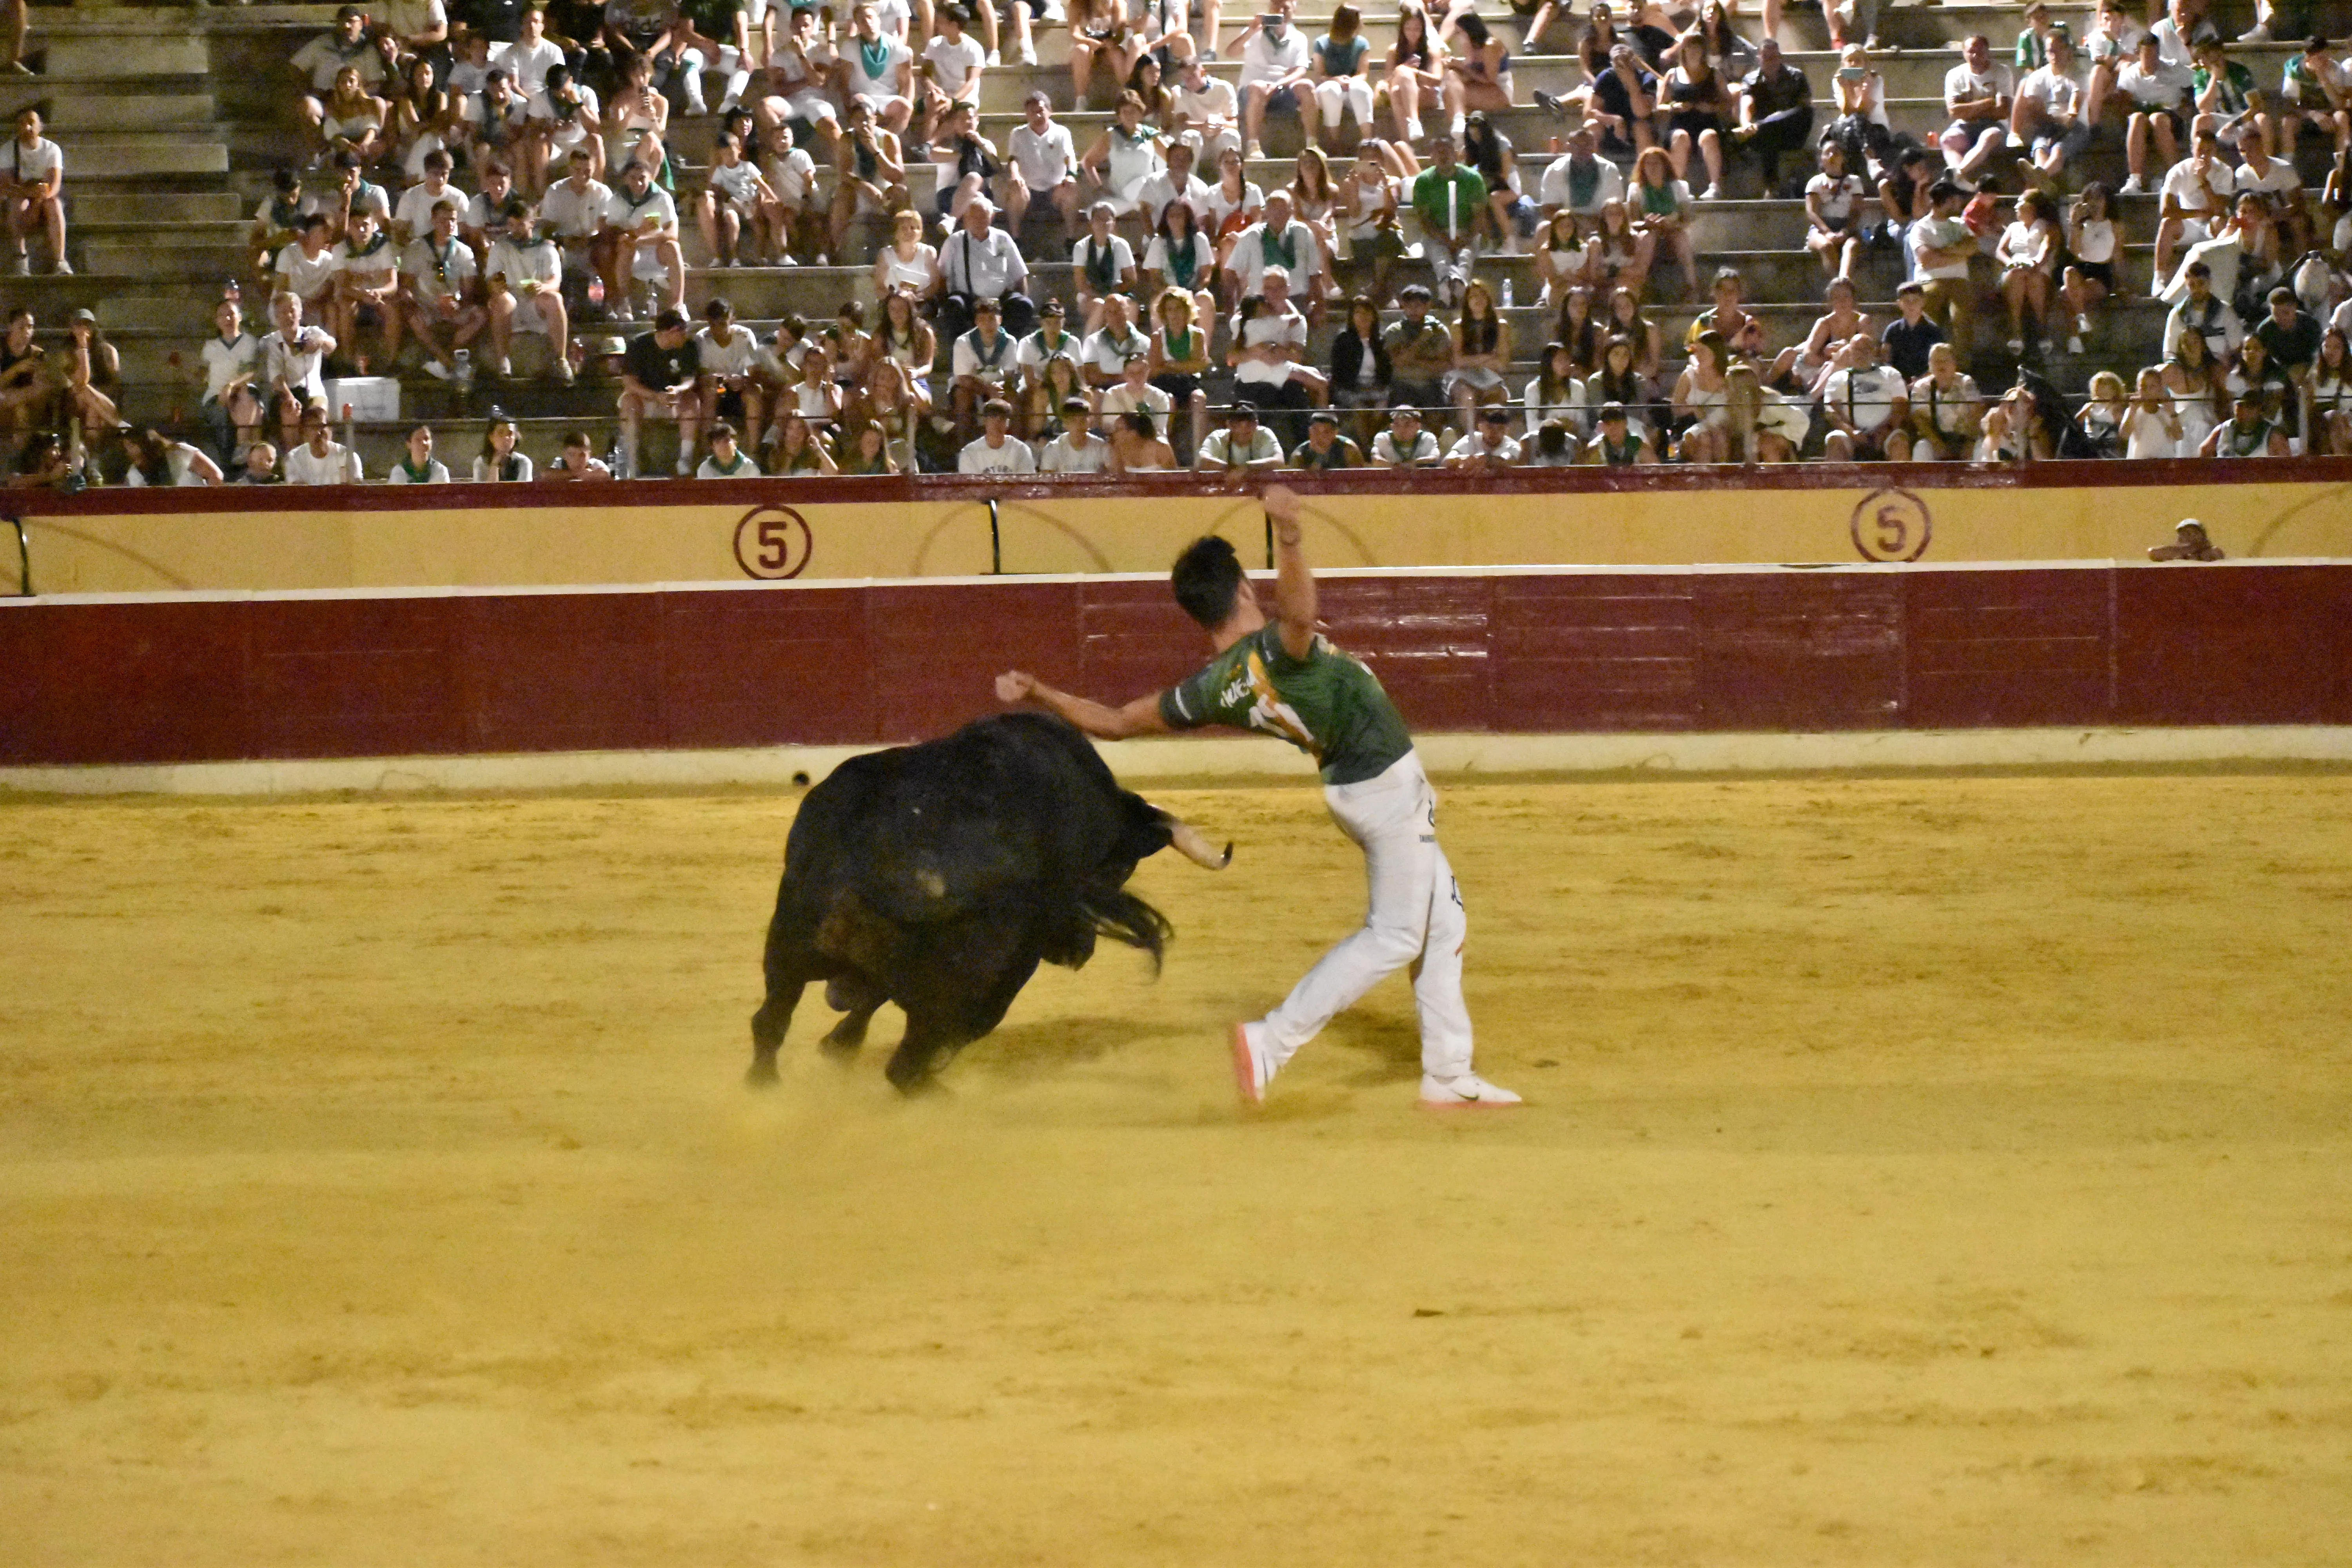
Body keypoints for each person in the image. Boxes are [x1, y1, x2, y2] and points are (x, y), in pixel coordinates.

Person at [994, 485, 1519, 1110]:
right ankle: (1271, 1042)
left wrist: (1039, 693)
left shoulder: (1211, 687)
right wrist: (1290, 534)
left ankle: (1448, 1070)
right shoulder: (1276, 648)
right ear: (1243, 589)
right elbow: (1300, 618)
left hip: (1364, 788)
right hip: (1382, 790)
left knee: (1443, 922)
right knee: (1396, 935)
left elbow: (1116, 720)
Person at [402, 198, 488, 383]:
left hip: (452, 304)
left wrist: (459, 303)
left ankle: (443, 360)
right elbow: (406, 286)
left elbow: (469, 290)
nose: (448, 225)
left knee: (480, 314)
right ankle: (447, 361)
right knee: (412, 316)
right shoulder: (417, 248)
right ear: (433, 221)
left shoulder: (463, 251)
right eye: (443, 220)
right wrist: (417, 302)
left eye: (452, 220)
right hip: (426, 304)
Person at [618, 307, 701, 476]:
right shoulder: (638, 344)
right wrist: (655, 396)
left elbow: (689, 380)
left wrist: (678, 390)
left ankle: (685, 462)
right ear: (673, 331)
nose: (686, 335)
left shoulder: (689, 347)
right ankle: (631, 463)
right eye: (683, 331)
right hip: (645, 398)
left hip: (673, 400)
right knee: (629, 403)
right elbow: (629, 383)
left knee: (692, 401)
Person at [1409, 134, 1484, 307]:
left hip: (1466, 232)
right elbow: (1424, 220)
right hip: (1436, 234)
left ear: (1456, 154)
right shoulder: (1424, 181)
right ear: (1432, 156)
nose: (1443, 156)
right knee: (1440, 256)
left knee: (1466, 255)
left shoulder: (1472, 179)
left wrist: (1465, 237)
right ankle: (1446, 282)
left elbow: (1479, 215)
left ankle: (1458, 283)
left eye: (1447, 151)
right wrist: (1443, 238)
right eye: (1438, 152)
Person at [1732, 37, 1813, 193]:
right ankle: (1772, 186)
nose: (1771, 61)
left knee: (1805, 111)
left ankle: (1761, 126)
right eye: (1766, 57)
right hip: (1766, 136)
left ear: (1780, 57)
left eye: (1774, 57)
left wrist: (1771, 120)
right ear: (1759, 59)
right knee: (1769, 134)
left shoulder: (1796, 76)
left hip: (1793, 132)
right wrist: (1746, 124)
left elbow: (1805, 108)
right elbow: (1747, 104)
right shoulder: (1750, 80)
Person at [1238, 0, 1313, 162]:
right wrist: (1250, 31)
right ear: (1270, 9)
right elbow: (1231, 52)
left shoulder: (1299, 38)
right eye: (1276, 7)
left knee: (1307, 86)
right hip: (1253, 91)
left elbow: (1301, 69)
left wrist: (1280, 84)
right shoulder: (1255, 31)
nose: (1281, 11)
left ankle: (1313, 144)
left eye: (1285, 8)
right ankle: (1253, 145)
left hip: (1281, 89)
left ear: (1293, 10)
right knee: (1257, 87)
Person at [1820, 333, 1911, 461]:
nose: (1861, 353)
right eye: (1856, 349)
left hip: (1887, 432)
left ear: (1874, 352)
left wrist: (1886, 430)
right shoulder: (1837, 378)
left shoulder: (1891, 374)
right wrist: (1851, 432)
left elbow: (1901, 406)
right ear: (1850, 352)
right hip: (1851, 434)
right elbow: (1831, 410)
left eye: (1866, 349)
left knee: (1900, 441)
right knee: (1835, 440)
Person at [198, 295, 265, 466]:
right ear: (216, 321)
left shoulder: (249, 342)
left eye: (231, 314)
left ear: (240, 317)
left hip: (242, 391)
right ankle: (227, 465)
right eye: (222, 315)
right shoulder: (210, 346)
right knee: (220, 415)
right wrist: (181, 368)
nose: (228, 319)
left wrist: (231, 386)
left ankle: (245, 454)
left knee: (249, 400)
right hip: (216, 396)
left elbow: (250, 371)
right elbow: (201, 377)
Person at [1941, 34, 2014, 185]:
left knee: (1989, 137)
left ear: (1988, 52)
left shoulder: (2002, 72)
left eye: (1980, 52)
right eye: (1971, 52)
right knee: (1947, 140)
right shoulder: (1954, 75)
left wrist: (1968, 108)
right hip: (1965, 126)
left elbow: (2003, 111)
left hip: (1994, 126)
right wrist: (1988, 103)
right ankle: (1961, 180)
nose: (1975, 56)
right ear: (1964, 53)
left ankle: (1959, 173)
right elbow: (1954, 112)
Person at [1, 107, 66, 274]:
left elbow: (55, 185)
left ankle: (60, 261)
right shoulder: (8, 150)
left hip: (43, 196)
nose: (27, 128)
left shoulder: (52, 150)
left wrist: (39, 199)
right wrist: (30, 194)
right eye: (22, 124)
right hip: (22, 195)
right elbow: (7, 186)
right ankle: (20, 258)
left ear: (40, 126)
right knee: (17, 205)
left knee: (55, 205)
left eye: (31, 123)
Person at [1906, 341, 1982, 460]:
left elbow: (1977, 411)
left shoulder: (1966, 382)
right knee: (1921, 448)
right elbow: (1918, 417)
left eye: (1946, 361)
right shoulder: (1922, 387)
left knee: (1981, 448)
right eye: (1937, 361)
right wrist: (1936, 443)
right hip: (1936, 439)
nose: (1941, 365)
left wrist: (1971, 442)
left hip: (1965, 438)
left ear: (1954, 364)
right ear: (1930, 366)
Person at [283, 401, 363, 484]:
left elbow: (356, 490)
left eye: (322, 426)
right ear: (304, 432)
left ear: (330, 430)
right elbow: (298, 493)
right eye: (313, 428)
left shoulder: (348, 457)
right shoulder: (294, 459)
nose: (319, 432)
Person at [1194, 400, 1283, 471]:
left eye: (1249, 424)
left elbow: (1279, 461)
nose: (1243, 429)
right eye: (1237, 425)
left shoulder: (1264, 434)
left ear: (1257, 424)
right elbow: (1202, 461)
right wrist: (1233, 470)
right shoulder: (1217, 437)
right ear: (1228, 425)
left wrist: (1245, 468)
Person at [122, 427, 224, 488]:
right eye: (126, 449)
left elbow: (214, 475)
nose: (128, 452)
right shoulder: (134, 473)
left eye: (132, 446)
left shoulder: (181, 453)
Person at [957, 396, 1036, 472]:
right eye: (993, 417)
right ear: (985, 421)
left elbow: (1025, 484)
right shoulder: (969, 453)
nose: (997, 423)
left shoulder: (1021, 450)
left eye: (1002, 419)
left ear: (1008, 423)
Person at [1038, 396, 1112, 472]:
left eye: (1083, 420)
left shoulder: (1101, 447)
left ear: (1089, 422)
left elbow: (1112, 476)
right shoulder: (1053, 449)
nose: (1078, 425)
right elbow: (1047, 480)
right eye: (1073, 421)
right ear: (1065, 424)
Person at [1446, 405, 1521, 468]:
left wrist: (1487, 460)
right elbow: (1447, 461)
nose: (1495, 432)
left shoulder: (1512, 446)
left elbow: (1513, 462)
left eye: (1500, 429)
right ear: (1480, 427)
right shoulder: (1471, 439)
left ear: (1507, 430)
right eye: (1490, 427)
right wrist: (1464, 460)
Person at [1369, 402, 1440, 466]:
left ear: (1418, 426)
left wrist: (1412, 464)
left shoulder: (1427, 439)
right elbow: (1376, 459)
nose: (1402, 429)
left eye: (1408, 425)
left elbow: (1435, 458)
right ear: (1391, 426)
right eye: (1397, 424)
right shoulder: (1383, 439)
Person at [1289, 407, 1362, 468]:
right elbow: (1305, 482)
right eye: (1316, 431)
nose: (1320, 437)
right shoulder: (1299, 456)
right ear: (1310, 432)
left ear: (1335, 433)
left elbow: (1358, 480)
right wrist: (1319, 458)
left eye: (1326, 432)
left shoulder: (1348, 450)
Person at [474, 414, 536, 480]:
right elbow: (485, 490)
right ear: (491, 437)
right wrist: (495, 464)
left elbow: (523, 489)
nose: (506, 438)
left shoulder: (523, 462)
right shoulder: (482, 462)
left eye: (510, 434)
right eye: (500, 433)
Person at [695, 417, 763, 476]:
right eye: (718, 442)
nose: (723, 445)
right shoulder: (705, 469)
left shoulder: (749, 467)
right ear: (712, 447)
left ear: (735, 443)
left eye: (726, 441)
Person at [385, 423, 452, 482]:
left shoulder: (440, 471)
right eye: (418, 440)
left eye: (426, 439)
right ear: (409, 444)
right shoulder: (399, 472)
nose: (424, 443)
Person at [2149, 517, 2226, 560]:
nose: (2190, 537)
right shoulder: (2175, 553)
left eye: (2194, 533)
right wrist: (2189, 549)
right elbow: (2153, 553)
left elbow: (2215, 555)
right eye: (2184, 534)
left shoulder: (2212, 551)